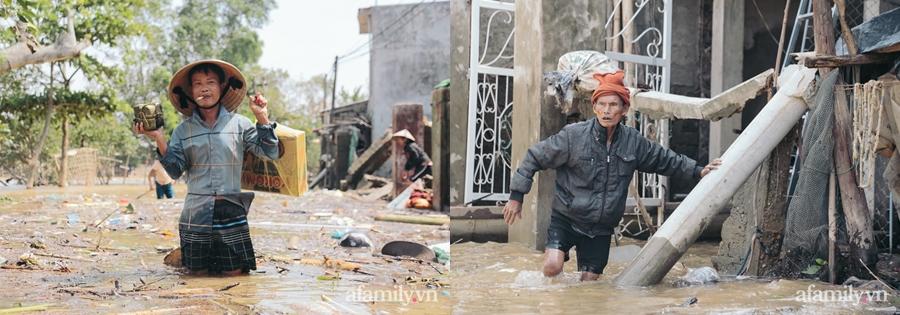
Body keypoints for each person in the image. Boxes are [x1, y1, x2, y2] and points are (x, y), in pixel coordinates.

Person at [503, 70, 722, 281]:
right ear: (595, 107)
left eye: (613, 105)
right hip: (568, 218)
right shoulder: (573, 136)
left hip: (601, 228)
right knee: (552, 268)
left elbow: (664, 159)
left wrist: (698, 170)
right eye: (602, 104)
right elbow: (534, 156)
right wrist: (516, 196)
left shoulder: (633, 142)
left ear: (624, 109)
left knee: (589, 286)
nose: (607, 110)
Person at [134, 59, 279, 276]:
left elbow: (271, 153)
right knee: (196, 281)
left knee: (237, 279)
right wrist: (158, 138)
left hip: (231, 212)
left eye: (211, 82)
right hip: (195, 215)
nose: (204, 88)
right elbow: (174, 170)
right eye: (197, 84)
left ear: (222, 87)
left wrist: (262, 116)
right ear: (190, 92)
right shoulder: (184, 130)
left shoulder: (240, 124)